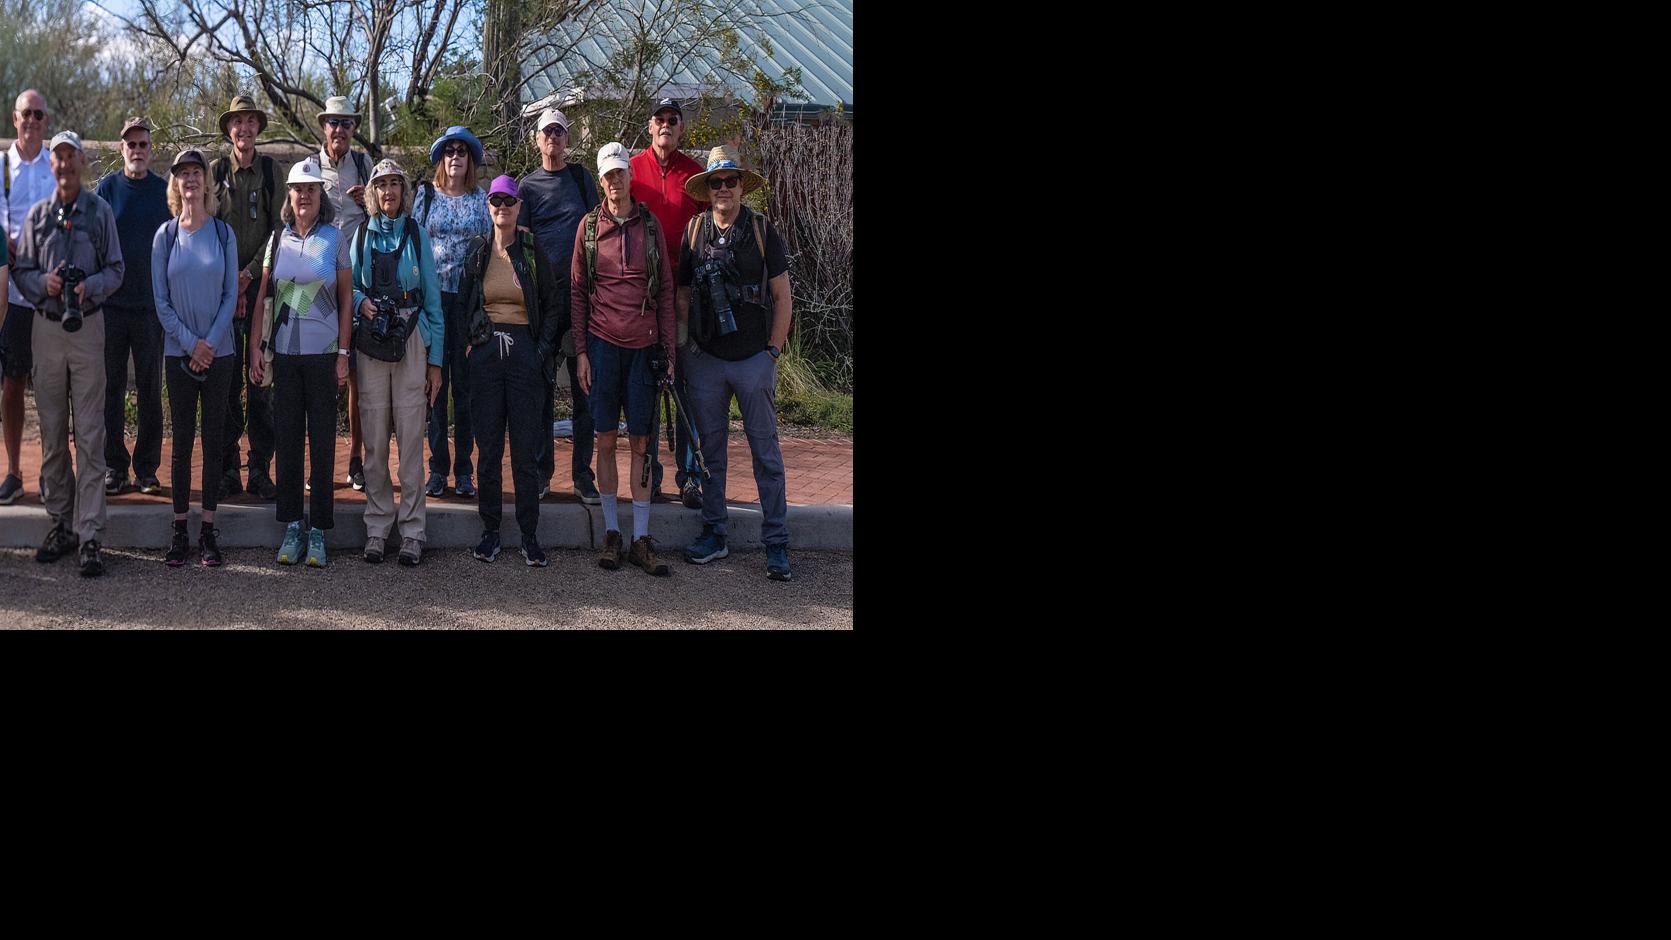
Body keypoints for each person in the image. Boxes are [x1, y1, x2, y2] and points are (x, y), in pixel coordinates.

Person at [677, 146, 794, 581]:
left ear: (741, 186)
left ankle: (776, 541)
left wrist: (772, 352)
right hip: (706, 359)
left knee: (765, 452)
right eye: (716, 182)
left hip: (752, 359)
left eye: (730, 180)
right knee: (710, 453)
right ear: (707, 189)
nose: (723, 188)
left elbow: (782, 295)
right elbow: (682, 294)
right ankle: (715, 531)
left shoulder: (762, 230)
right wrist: (688, 347)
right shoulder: (694, 231)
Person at [11, 130, 125, 576]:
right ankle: (62, 523)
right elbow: (21, 270)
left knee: (91, 434)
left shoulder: (99, 212)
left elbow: (116, 268)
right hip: (47, 328)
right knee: (53, 432)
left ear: (81, 161)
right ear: (52, 164)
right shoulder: (38, 216)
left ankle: (90, 533)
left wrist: (87, 286)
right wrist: (45, 283)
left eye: (70, 156)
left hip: (88, 328)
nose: (64, 164)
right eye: (57, 158)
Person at [571, 142, 674, 575]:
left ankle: (641, 538)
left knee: (642, 445)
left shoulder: (650, 227)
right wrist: (581, 352)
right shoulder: (588, 228)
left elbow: (665, 290)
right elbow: (578, 293)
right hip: (602, 347)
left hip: (644, 348)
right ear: (601, 180)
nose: (615, 181)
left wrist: (668, 350)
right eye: (609, 174)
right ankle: (613, 533)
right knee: (606, 440)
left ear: (631, 177)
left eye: (621, 173)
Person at [250, 157, 352, 568]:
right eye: (298, 189)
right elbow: (263, 297)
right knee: (288, 442)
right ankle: (292, 525)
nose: (304, 195)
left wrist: (343, 353)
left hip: (324, 355)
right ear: (289, 196)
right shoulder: (277, 240)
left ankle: (318, 530)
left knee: (323, 444)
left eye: (311, 189)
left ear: (320, 196)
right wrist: (254, 349)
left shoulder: (335, 238)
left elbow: (346, 299)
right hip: (286, 357)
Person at [458, 176, 562, 565]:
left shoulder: (532, 251)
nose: (502, 207)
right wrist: (470, 348)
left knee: (524, 449)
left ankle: (529, 534)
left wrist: (541, 350)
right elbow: (463, 304)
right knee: (488, 448)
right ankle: (490, 531)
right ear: (488, 206)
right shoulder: (478, 250)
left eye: (509, 201)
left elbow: (552, 305)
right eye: (496, 200)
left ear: (519, 206)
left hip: (524, 353)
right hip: (487, 352)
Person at [348, 159, 443, 566]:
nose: (388, 191)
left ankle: (413, 531)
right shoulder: (362, 235)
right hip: (372, 342)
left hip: (412, 339)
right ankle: (377, 527)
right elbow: (350, 286)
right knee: (373, 442)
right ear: (373, 192)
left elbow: (433, 301)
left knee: (410, 442)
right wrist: (360, 302)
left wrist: (435, 362)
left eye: (394, 184)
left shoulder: (417, 235)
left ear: (404, 191)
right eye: (381, 185)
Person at [151, 149, 239, 566]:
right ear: (175, 183)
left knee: (214, 440)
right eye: (183, 173)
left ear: (206, 181)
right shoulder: (165, 236)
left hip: (220, 353)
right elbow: (161, 301)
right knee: (182, 442)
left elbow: (230, 295)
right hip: (179, 354)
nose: (190, 179)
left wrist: (210, 344)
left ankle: (207, 531)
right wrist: (192, 345)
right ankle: (179, 529)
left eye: (196, 172)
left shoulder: (223, 234)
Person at [517, 107, 600, 504]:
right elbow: (521, 241)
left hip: (583, 298)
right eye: (546, 132)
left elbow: (599, 228)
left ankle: (583, 475)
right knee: (542, 390)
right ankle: (541, 473)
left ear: (567, 139)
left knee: (586, 390)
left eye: (559, 132)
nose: (553, 137)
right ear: (537, 139)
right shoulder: (527, 187)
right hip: (544, 302)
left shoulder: (582, 179)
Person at [630, 97, 705, 509]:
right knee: (648, 388)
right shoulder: (632, 170)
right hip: (642, 299)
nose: (665, 125)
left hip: (684, 297)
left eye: (672, 120)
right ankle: (651, 475)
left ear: (681, 128)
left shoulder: (694, 175)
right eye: (659, 119)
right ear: (649, 125)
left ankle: (690, 476)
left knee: (685, 386)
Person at [95, 116, 170, 498]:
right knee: (110, 388)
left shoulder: (163, 191)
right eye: (131, 145)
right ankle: (114, 466)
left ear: (150, 149)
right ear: (121, 148)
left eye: (143, 144)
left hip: (150, 307)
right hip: (111, 306)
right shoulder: (106, 190)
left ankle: (146, 469)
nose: (137, 151)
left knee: (149, 389)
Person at [211, 94, 281, 501]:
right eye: (237, 122)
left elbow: (278, 231)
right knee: (224, 382)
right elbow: (206, 229)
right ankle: (228, 468)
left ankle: (259, 469)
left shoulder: (271, 172)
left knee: (260, 381)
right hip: (221, 291)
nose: (244, 128)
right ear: (229, 129)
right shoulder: (216, 172)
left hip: (261, 289)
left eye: (251, 121)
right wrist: (230, 281)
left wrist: (249, 275)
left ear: (258, 128)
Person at [418, 125, 489, 500]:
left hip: (466, 302)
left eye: (463, 151)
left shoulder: (480, 200)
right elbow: (412, 243)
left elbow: (491, 247)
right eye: (450, 151)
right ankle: (437, 469)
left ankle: (464, 470)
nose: (456, 157)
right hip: (433, 303)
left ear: (470, 159)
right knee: (434, 387)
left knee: (465, 390)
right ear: (441, 158)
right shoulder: (426, 196)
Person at [0, 89, 56, 505]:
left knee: (54, 386)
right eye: (26, 114)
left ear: (45, 121)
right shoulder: (2, 167)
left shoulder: (57, 164)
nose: (32, 121)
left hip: (50, 295)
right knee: (13, 383)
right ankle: (15, 472)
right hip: (13, 297)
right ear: (14, 119)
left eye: (38, 114)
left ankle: (53, 473)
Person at [317, 95, 373, 492]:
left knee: (355, 378)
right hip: (318, 283)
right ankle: (319, 463)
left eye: (346, 123)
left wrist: (367, 200)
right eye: (333, 123)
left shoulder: (364, 165)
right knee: (319, 375)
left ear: (353, 128)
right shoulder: (309, 167)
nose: (339, 130)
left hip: (355, 282)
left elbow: (386, 213)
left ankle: (356, 459)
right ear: (324, 126)